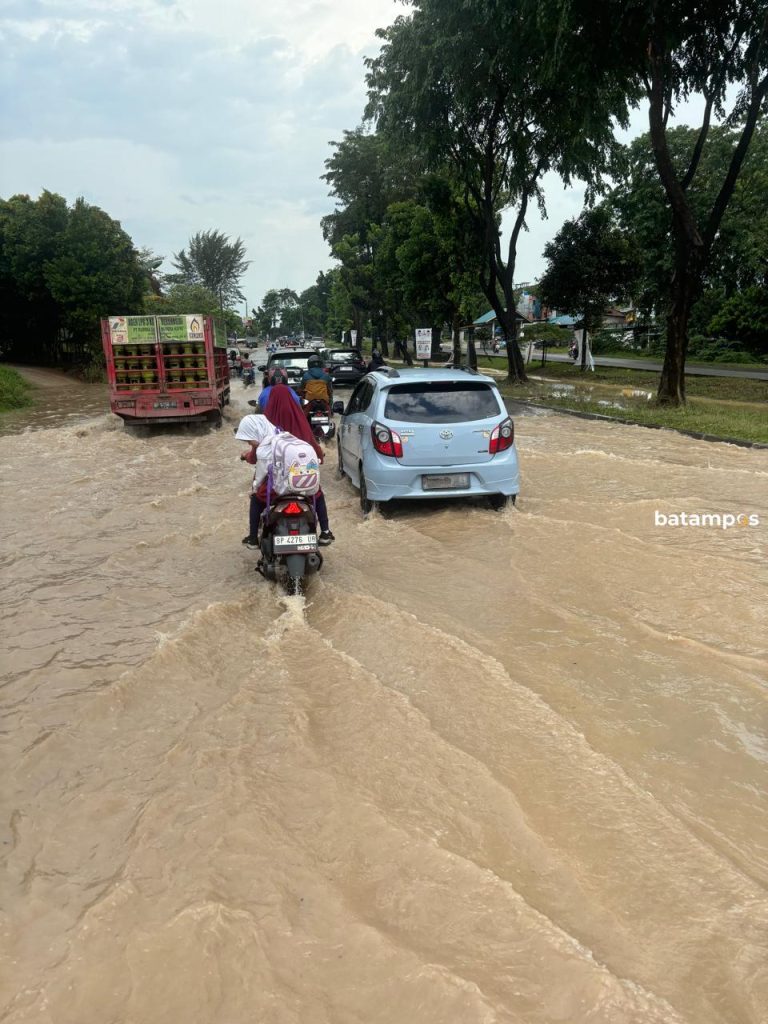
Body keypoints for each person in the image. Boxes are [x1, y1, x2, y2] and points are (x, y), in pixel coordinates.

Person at [264, 387, 335, 545]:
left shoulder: (266, 419)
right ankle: (325, 532)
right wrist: (319, 455)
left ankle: (253, 538)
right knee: (317, 494)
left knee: (258, 497)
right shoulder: (298, 416)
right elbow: (311, 441)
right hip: (300, 477)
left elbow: (260, 449)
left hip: (277, 484)